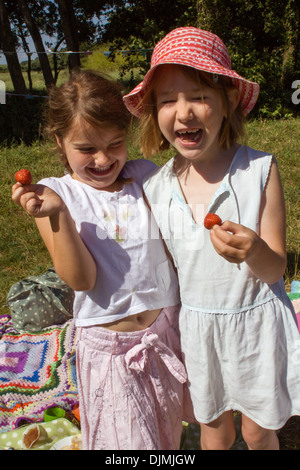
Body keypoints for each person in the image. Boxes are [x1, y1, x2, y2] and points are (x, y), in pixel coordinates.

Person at [123, 27, 300, 450]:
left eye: (199, 95)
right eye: (167, 100)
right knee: (213, 430)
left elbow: (277, 267)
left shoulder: (258, 171)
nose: (182, 112)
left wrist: (255, 249)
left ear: (229, 100)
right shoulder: (157, 188)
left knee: (259, 431)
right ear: (154, 111)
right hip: (199, 329)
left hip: (256, 324)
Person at [11, 69, 194, 450]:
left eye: (115, 144)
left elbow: (183, 240)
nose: (103, 159)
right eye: (86, 149)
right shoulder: (55, 195)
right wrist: (58, 215)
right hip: (112, 352)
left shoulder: (144, 175)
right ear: (60, 142)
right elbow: (81, 280)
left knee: (165, 435)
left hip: (164, 333)